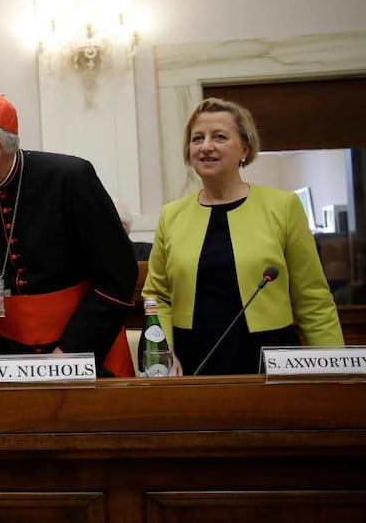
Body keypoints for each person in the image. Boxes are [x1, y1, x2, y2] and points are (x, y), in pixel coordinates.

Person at [0, 91, 138, 380]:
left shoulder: (69, 179)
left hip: (86, 351)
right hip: (4, 358)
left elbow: (118, 275)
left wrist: (70, 352)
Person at [141, 97, 344, 376]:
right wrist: (163, 351)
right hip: (192, 359)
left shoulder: (282, 207)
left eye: (220, 137)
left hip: (269, 356)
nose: (206, 146)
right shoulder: (171, 215)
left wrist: (335, 369)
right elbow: (156, 296)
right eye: (197, 138)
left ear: (245, 150)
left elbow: (312, 297)